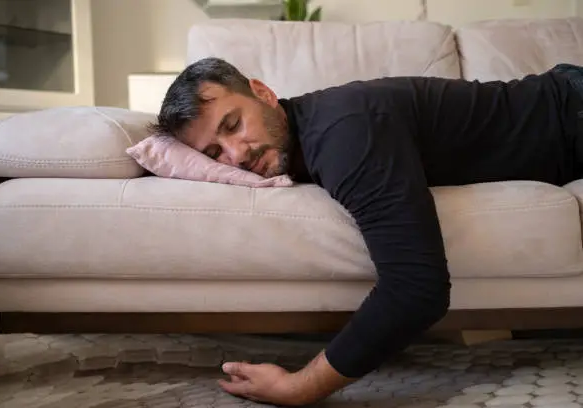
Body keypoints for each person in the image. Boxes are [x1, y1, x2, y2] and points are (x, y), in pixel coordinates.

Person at [150, 57, 583, 406]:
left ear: (262, 93)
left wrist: (299, 387)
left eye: (232, 125)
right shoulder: (312, 131)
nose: (236, 154)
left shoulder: (345, 135)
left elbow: (418, 289)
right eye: (213, 153)